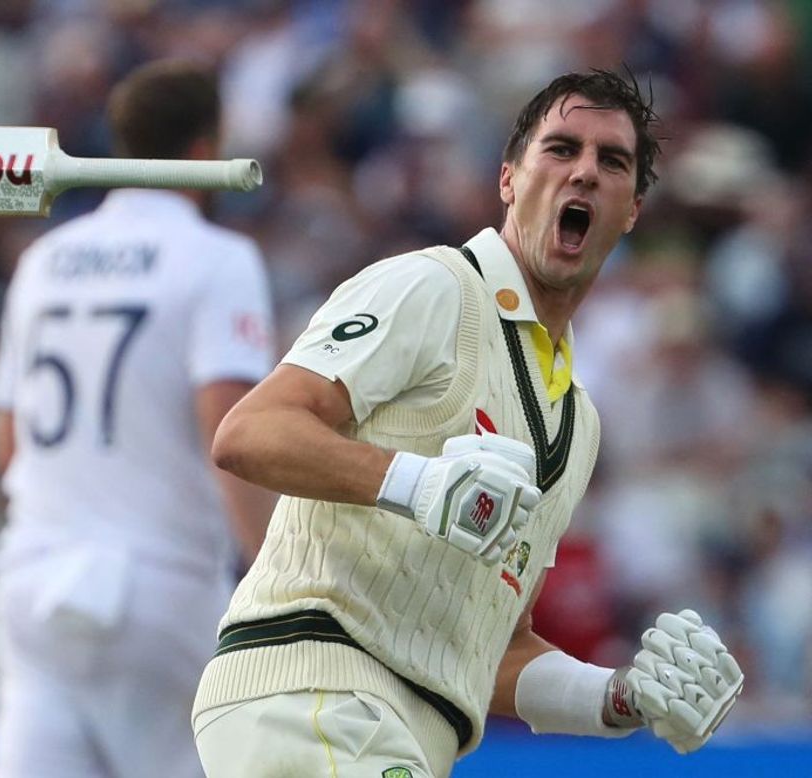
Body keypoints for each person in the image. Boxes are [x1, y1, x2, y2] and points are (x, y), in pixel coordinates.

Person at [192, 70, 744, 777]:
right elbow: (250, 433)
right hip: (315, 687)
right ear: (509, 179)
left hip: (403, 733)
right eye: (561, 149)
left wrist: (620, 698)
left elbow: (496, 649)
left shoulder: (578, 423)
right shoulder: (433, 287)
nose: (583, 172)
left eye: (611, 162)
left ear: (631, 210)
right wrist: (419, 483)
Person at [0, 59, 276, 778]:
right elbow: (230, 438)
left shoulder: (44, 259)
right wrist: (280, 582)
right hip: (160, 588)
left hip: (32, 583)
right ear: (206, 150)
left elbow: (6, 446)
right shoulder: (219, 259)